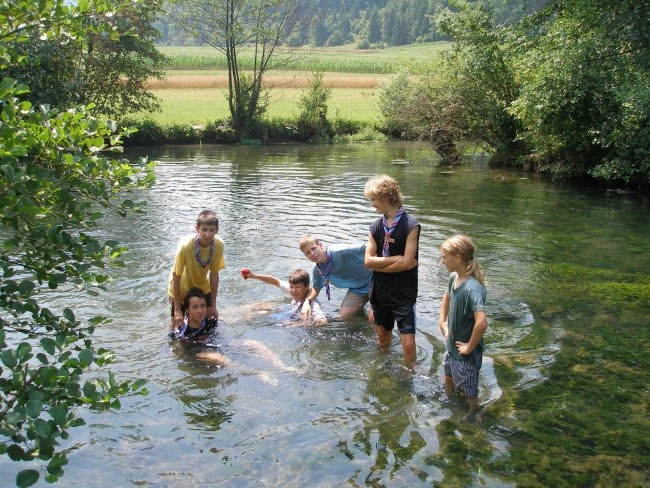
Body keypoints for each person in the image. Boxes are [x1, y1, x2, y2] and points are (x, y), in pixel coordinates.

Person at [363, 174, 420, 364]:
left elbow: (407, 264)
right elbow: (368, 262)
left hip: (403, 293)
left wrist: (385, 262)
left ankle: (409, 375)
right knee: (382, 339)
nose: (372, 204)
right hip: (380, 292)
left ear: (386, 197)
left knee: (409, 344)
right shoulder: (374, 227)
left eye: (373, 199)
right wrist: (397, 258)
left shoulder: (411, 225)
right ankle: (383, 369)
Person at [438, 234, 488, 417]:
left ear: (457, 257)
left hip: (464, 355)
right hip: (451, 347)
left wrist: (469, 347)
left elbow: (482, 323)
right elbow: (447, 296)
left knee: (469, 393)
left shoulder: (472, 288)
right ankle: (450, 402)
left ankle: (475, 412)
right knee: (448, 378)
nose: (442, 260)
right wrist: (442, 320)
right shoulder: (454, 277)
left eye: (444, 256)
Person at [168, 210, 225, 328]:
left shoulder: (219, 245)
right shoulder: (186, 245)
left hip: (202, 288)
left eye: (211, 230)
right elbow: (176, 276)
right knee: (177, 328)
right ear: (197, 229)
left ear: (217, 230)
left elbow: (214, 275)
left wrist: (213, 305)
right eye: (204, 229)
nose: (208, 235)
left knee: (207, 325)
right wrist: (178, 309)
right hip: (181, 289)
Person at [298, 235, 373, 321]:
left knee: (374, 318)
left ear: (321, 245)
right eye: (307, 252)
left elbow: (371, 246)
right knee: (344, 318)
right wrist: (307, 302)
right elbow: (316, 288)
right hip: (358, 289)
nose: (312, 253)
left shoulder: (342, 251)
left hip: (377, 280)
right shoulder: (318, 270)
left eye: (313, 248)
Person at [241, 268, 327, 325]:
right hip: (288, 312)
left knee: (259, 315)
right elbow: (275, 281)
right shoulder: (293, 291)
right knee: (259, 306)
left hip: (291, 322)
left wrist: (297, 324)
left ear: (306, 287)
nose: (293, 290)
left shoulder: (313, 304)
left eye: (297, 287)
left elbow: (323, 321)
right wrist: (254, 276)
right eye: (291, 287)